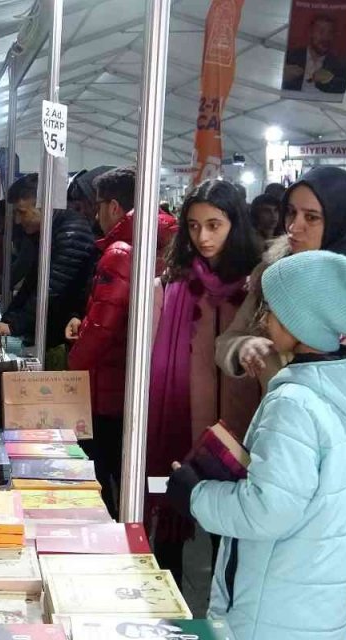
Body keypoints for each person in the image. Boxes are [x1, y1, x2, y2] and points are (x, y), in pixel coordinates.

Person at [215, 167, 346, 640]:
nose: (295, 228)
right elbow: (230, 339)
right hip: (287, 448)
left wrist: (321, 373)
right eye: (292, 214)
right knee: (290, 591)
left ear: (344, 220)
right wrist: (244, 350)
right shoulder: (278, 272)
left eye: (312, 217)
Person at [171, 249, 346, 640]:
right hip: (313, 603)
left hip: (272, 608)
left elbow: (267, 511)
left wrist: (195, 495)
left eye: (271, 311)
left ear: (302, 322)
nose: (262, 320)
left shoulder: (295, 403)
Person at [66, 171, 227, 521]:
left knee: (104, 477)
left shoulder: (123, 250)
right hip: (157, 393)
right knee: (141, 480)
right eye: (197, 225)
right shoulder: (177, 251)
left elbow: (102, 328)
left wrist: (70, 368)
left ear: (112, 206)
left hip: (109, 388)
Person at [141, 180, 263, 582]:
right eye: (194, 227)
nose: (203, 237)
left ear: (235, 224)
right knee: (170, 517)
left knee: (227, 531)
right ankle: (164, 608)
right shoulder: (173, 285)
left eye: (214, 225)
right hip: (178, 421)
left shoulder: (256, 288)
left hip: (239, 429)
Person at [0, 174, 99, 349]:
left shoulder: (71, 233)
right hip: (52, 331)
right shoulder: (47, 231)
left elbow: (49, 289)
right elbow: (33, 283)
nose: (17, 220)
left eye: (21, 212)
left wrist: (13, 325)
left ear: (44, 205)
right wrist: (8, 319)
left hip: (62, 336)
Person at [282, 13, 346, 94]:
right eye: (321, 31)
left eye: (330, 32)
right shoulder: (291, 57)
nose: (325, 37)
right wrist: (284, 75)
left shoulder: (339, 65)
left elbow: (341, 89)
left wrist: (329, 80)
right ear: (310, 32)